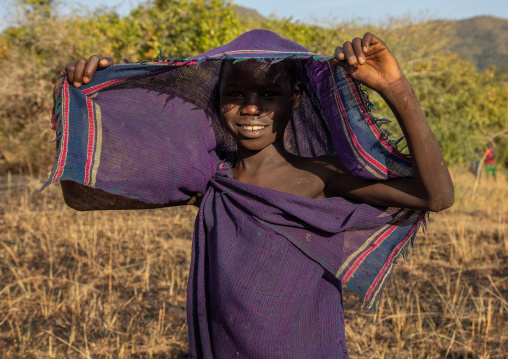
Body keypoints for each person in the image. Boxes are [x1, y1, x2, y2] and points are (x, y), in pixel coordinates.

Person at [46, 30, 454, 358]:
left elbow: (435, 196)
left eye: (269, 95)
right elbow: (79, 197)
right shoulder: (209, 179)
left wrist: (396, 88)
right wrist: (75, 107)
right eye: (236, 94)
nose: (251, 109)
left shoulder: (318, 175)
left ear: (294, 99)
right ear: (217, 99)